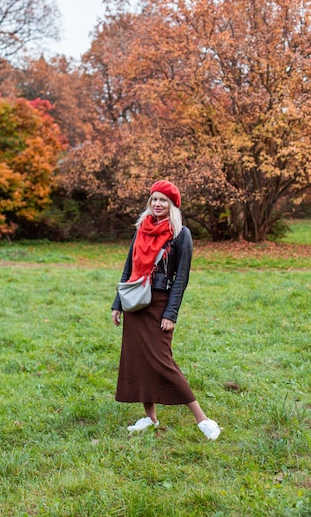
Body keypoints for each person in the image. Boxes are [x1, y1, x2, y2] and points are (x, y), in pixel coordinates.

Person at [111, 179, 221, 440]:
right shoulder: (141, 230)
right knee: (138, 359)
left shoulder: (181, 234)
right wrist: (118, 304)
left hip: (160, 303)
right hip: (136, 302)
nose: (158, 204)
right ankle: (150, 418)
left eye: (163, 200)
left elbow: (181, 278)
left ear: (172, 205)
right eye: (154, 199)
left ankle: (203, 419)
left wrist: (171, 314)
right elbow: (129, 269)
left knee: (162, 361)